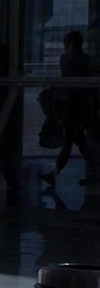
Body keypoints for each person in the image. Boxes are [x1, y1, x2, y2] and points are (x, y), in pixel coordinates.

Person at [44, 30, 94, 186]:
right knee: (79, 142)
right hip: (75, 106)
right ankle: (56, 174)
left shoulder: (69, 59)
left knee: (71, 142)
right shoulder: (84, 60)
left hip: (73, 106)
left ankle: (55, 174)